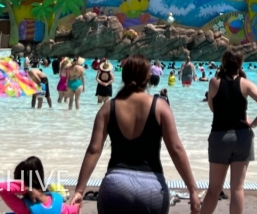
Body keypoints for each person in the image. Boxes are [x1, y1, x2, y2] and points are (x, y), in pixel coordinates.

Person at [71, 55, 200, 214]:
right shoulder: (160, 106)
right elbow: (176, 149)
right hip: (151, 189)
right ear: (148, 77)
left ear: (123, 76)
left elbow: (94, 150)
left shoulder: (108, 108)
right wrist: (193, 190)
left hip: (115, 186)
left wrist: (79, 190)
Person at [201, 48, 257, 214]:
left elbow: (212, 108)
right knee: (237, 189)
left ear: (223, 62)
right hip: (242, 138)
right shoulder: (245, 83)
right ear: (240, 64)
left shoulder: (213, 82)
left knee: (213, 190)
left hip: (220, 136)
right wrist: (252, 124)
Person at [0, 156, 80, 214]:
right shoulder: (59, 205)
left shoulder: (24, 208)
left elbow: (1, 187)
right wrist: (77, 206)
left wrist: (27, 189)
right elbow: (75, 209)